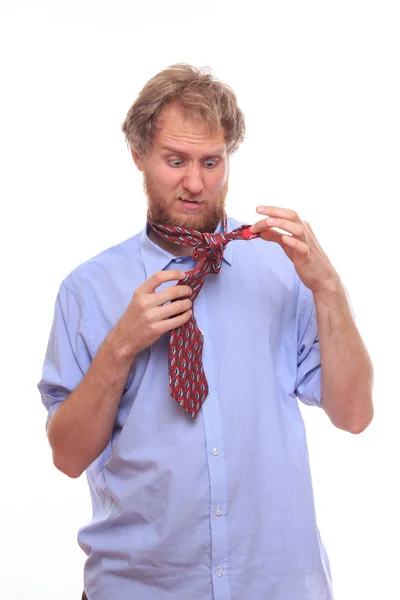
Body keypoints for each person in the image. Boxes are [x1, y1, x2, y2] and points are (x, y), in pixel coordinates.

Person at [37, 63, 374, 600]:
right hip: (140, 587)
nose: (195, 183)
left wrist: (328, 289)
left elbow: (355, 415)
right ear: (138, 156)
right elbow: (68, 457)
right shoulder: (88, 291)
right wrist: (121, 344)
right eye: (176, 161)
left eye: (211, 162)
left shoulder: (286, 271)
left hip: (275, 585)